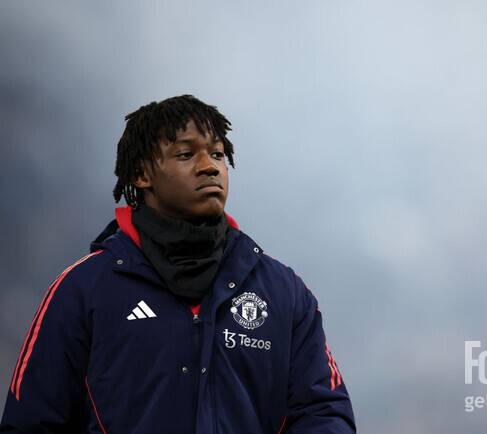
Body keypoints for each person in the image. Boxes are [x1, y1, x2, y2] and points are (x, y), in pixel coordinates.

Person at [1, 95, 356, 433]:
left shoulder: (283, 291)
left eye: (217, 154)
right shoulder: (83, 289)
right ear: (141, 174)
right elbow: (32, 423)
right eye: (186, 154)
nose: (209, 167)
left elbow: (324, 412)